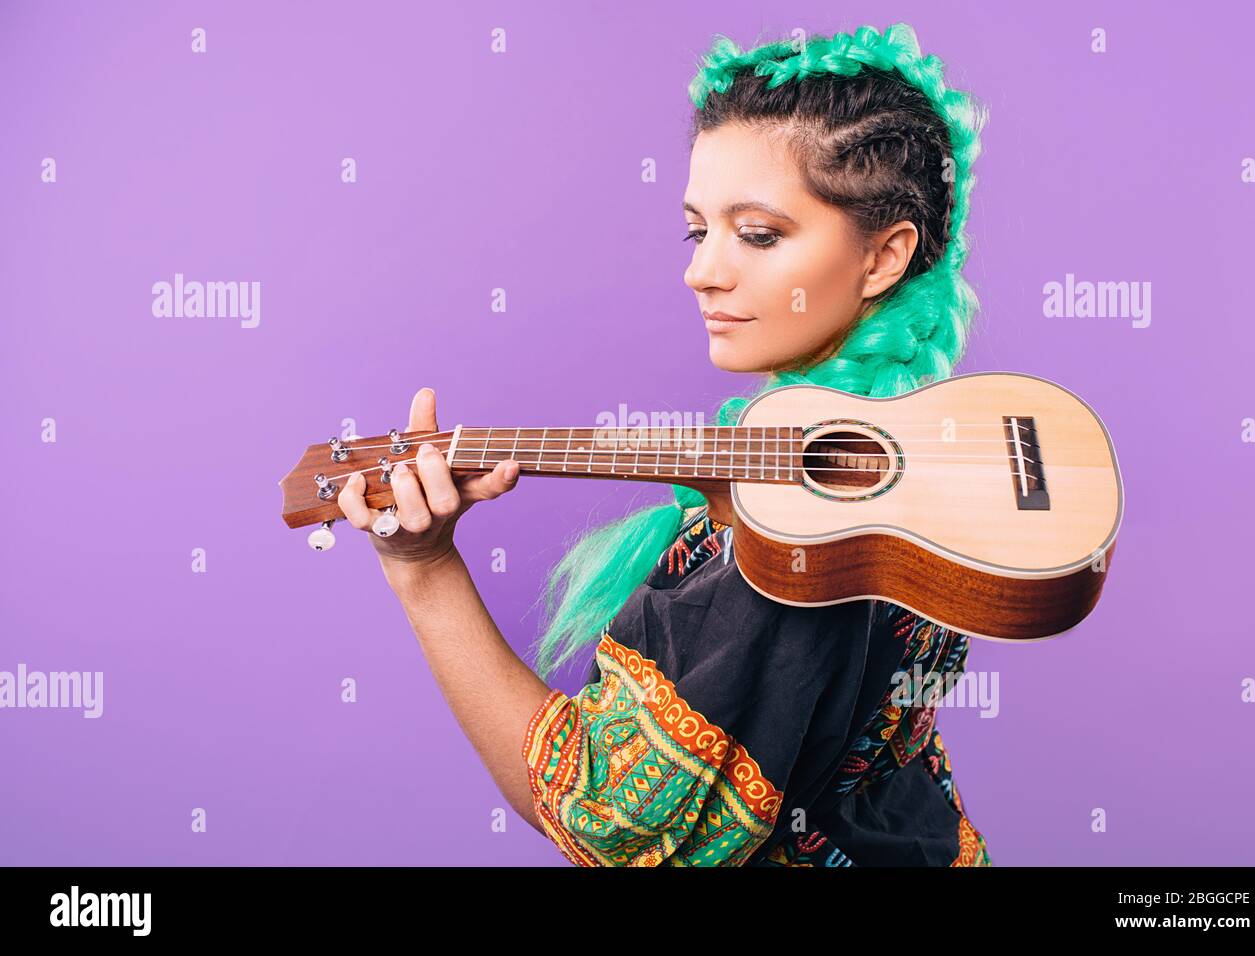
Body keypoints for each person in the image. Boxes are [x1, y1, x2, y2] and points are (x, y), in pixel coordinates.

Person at [338, 23, 992, 866]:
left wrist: (422, 571)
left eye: (756, 234)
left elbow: (603, 817)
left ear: (883, 257)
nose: (702, 271)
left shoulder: (796, 543)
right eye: (698, 231)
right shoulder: (915, 443)